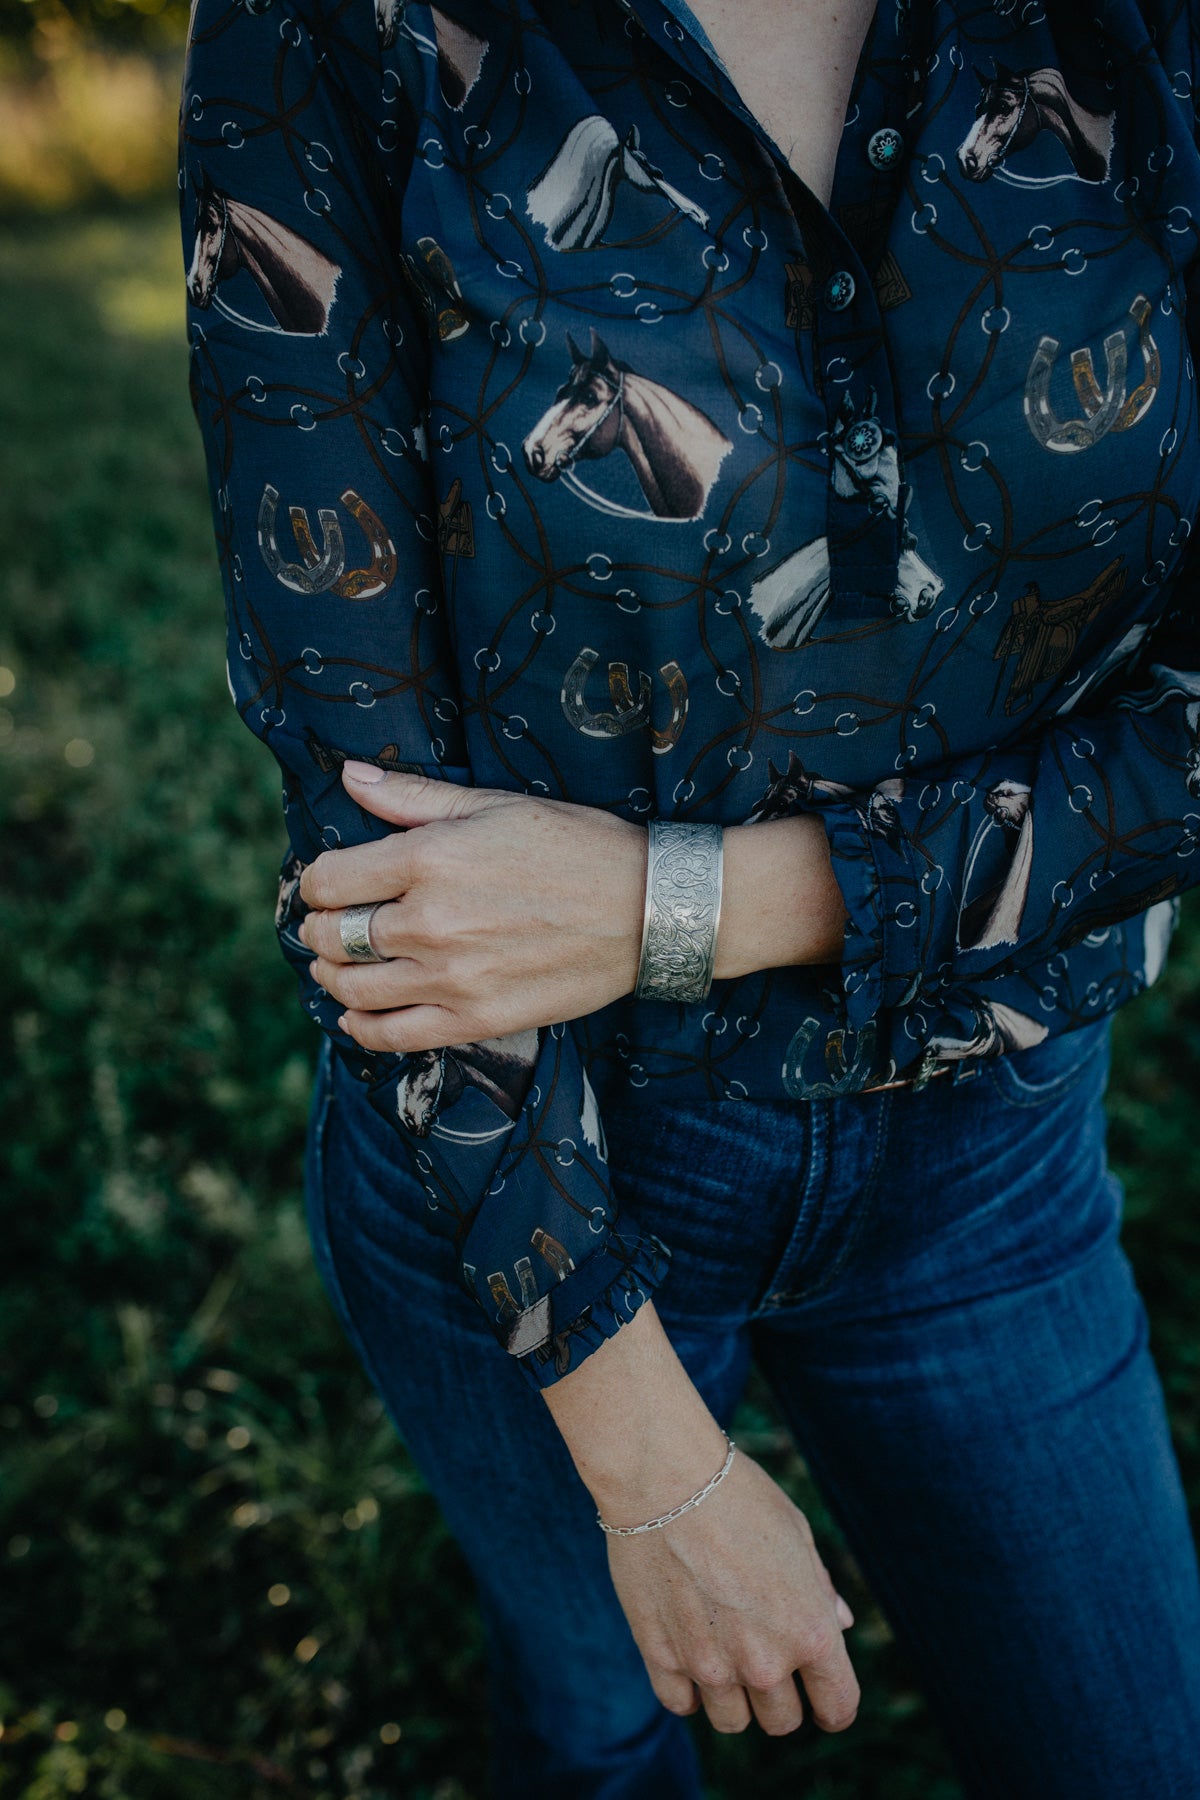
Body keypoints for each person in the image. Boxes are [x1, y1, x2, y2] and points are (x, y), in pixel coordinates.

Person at [179, 0, 1200, 1792]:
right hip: (546, 1163)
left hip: (998, 1152)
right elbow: (372, 849)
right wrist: (643, 1455)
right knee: (598, 1738)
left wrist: (695, 900)